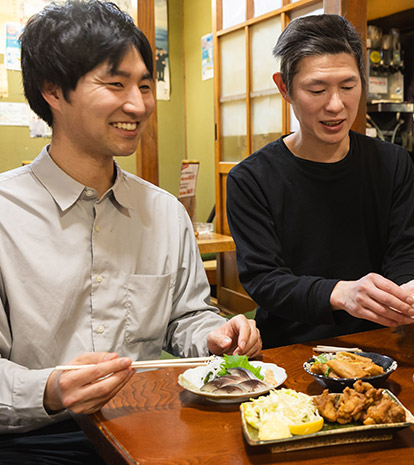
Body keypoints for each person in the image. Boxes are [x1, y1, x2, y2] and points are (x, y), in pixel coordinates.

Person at [0, 1, 261, 461]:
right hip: (36, 439)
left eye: (144, 85)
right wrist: (49, 389)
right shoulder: (6, 213)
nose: (138, 105)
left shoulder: (163, 212)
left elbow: (187, 316)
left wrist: (215, 336)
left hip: (155, 422)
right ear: (53, 90)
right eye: (114, 84)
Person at [226, 14, 414, 349]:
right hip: (290, 348)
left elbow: (407, 250)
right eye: (317, 89)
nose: (336, 105)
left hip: (383, 342)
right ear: (285, 88)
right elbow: (265, 279)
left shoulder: (392, 163)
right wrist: (341, 293)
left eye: (348, 86)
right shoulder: (251, 179)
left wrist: (411, 286)